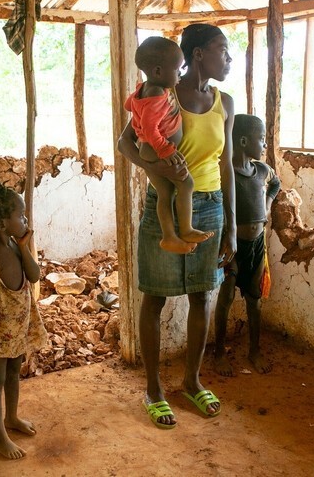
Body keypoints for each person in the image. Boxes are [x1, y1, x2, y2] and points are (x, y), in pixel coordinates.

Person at [118, 24, 236, 429]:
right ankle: (154, 390)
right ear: (198, 54)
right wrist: (156, 166)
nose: (229, 58)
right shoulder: (162, 94)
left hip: (211, 205)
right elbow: (126, 145)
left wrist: (232, 226)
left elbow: (227, 167)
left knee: (203, 296)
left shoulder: (226, 102)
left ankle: (191, 381)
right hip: (164, 203)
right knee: (155, 298)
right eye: (223, 49)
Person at [0, 183, 48, 460]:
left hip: (19, 323)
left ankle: (12, 417)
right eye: (22, 216)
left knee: (15, 372)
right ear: (4, 224)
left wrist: (25, 246)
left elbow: (35, 275)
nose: (26, 221)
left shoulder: (17, 247)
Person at [125, 36, 213, 254]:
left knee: (166, 193)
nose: (180, 75)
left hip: (150, 151)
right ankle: (186, 229)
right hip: (157, 151)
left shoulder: (145, 88)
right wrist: (165, 149)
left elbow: (130, 104)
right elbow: (149, 127)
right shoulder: (156, 93)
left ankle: (169, 237)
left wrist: (138, 107)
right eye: (177, 70)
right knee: (186, 184)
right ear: (157, 72)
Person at [213, 114, 280, 377]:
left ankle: (254, 351)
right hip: (233, 247)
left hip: (257, 246)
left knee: (255, 300)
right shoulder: (225, 173)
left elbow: (276, 184)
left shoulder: (262, 171)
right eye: (261, 139)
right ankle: (219, 353)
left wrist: (267, 206)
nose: (264, 145)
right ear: (242, 141)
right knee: (226, 297)